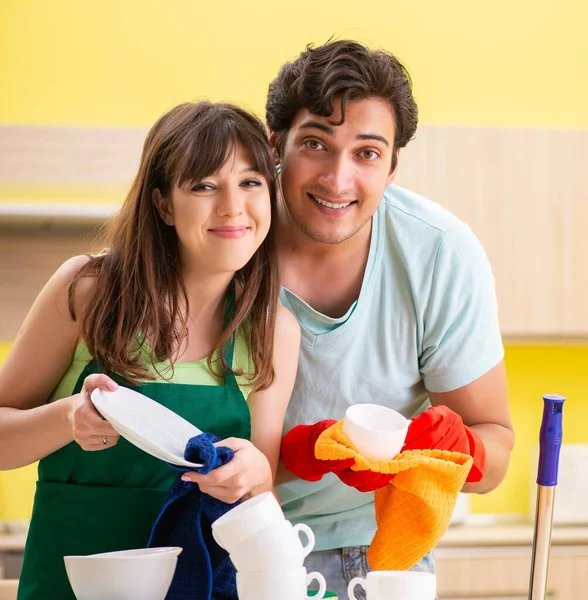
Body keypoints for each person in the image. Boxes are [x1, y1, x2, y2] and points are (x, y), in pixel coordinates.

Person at [0, 101, 300, 600]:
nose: (231, 206)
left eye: (250, 182)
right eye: (204, 185)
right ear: (162, 204)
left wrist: (256, 472)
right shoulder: (89, 291)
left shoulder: (273, 330)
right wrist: (66, 418)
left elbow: (259, 496)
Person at [266, 40, 515, 596]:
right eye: (315, 143)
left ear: (393, 167)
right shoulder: (230, 240)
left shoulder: (439, 253)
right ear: (274, 144)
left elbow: (494, 448)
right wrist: (305, 455)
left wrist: (463, 449)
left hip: (382, 551)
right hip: (246, 539)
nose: (337, 178)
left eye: (367, 153)